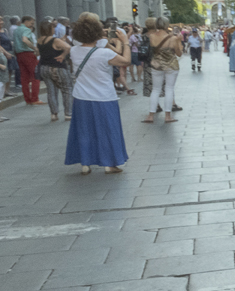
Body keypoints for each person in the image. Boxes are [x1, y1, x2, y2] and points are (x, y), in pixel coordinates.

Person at [64, 13, 131, 174]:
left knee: (84, 130)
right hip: (104, 97)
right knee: (108, 130)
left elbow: (82, 46)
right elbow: (126, 61)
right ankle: (109, 164)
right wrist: (126, 42)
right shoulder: (105, 53)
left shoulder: (74, 51)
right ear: (98, 33)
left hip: (81, 97)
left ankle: (85, 164)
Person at [143, 17, 183, 124]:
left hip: (156, 65)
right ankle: (168, 115)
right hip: (171, 66)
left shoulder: (151, 36)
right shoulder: (172, 38)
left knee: (155, 89)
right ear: (167, 25)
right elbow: (179, 53)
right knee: (169, 89)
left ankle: (150, 115)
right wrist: (179, 41)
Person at [36, 19, 73, 122]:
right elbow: (67, 47)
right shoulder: (55, 40)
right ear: (50, 29)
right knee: (67, 89)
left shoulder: (39, 40)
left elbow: (37, 52)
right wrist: (62, 55)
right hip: (57, 67)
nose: (54, 29)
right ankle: (68, 113)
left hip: (44, 67)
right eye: (53, 27)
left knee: (51, 91)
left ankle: (54, 114)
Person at [12, 16, 42, 105]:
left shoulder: (16, 30)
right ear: (26, 21)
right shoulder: (26, 30)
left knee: (24, 77)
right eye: (31, 23)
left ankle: (27, 99)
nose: (32, 25)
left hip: (19, 54)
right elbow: (25, 40)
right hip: (28, 53)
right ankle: (35, 98)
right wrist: (35, 48)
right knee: (35, 76)